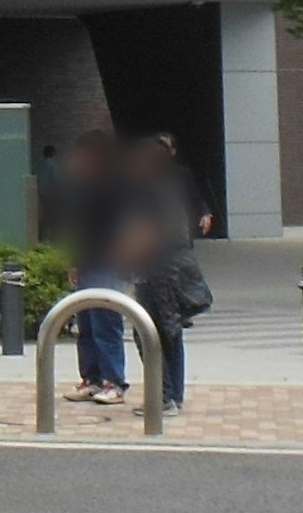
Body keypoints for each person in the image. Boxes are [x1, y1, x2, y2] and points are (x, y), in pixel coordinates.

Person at [124, 134, 213, 414]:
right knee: (171, 332)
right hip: (174, 268)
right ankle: (175, 395)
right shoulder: (167, 188)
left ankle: (163, 398)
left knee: (149, 333)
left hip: (157, 272)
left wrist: (123, 255)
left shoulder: (150, 192)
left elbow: (149, 234)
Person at [60, 130, 134, 405]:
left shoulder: (117, 185)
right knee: (87, 325)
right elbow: (81, 229)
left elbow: (125, 225)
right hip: (88, 261)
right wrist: (75, 262)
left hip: (107, 263)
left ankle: (114, 381)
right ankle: (91, 379)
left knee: (106, 324)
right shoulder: (83, 186)